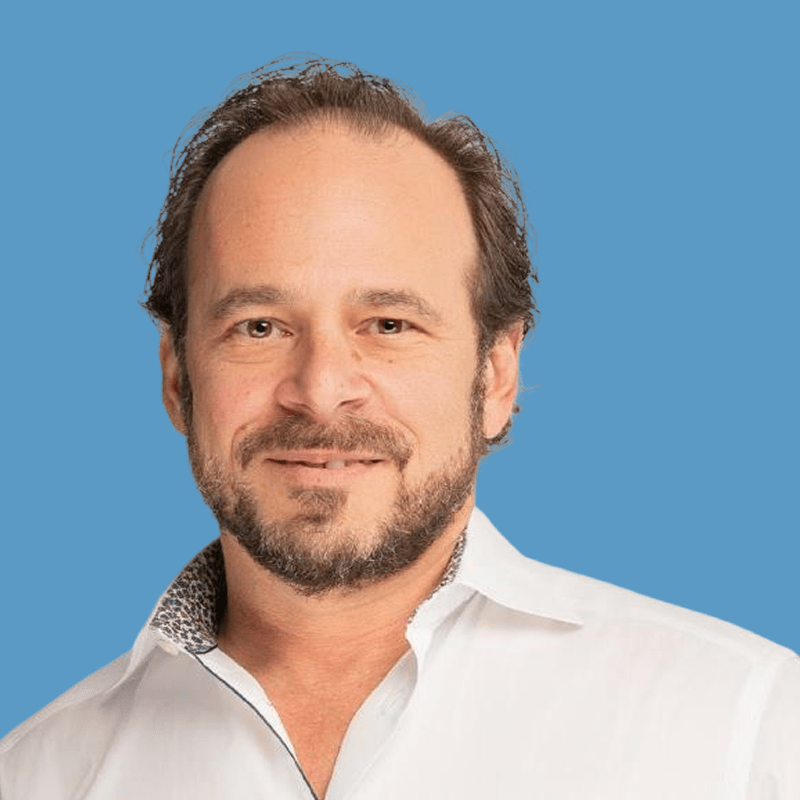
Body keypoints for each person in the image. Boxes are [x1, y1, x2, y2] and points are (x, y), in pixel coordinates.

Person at [1, 56, 797, 800]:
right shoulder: (36, 774)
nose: (319, 391)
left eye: (387, 324)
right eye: (258, 326)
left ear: (495, 375)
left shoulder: (744, 729)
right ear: (177, 375)